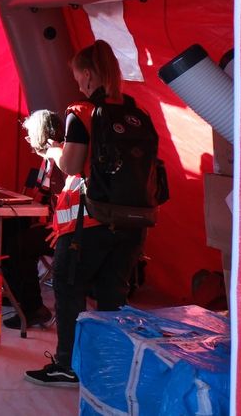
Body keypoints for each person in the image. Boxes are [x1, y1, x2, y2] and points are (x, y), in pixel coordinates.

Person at [25, 40, 149, 388]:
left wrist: (52, 150)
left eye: (79, 75)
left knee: (69, 288)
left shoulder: (80, 112)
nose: (78, 82)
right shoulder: (136, 113)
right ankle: (109, 365)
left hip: (89, 221)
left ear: (89, 74)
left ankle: (68, 364)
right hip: (132, 221)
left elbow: (74, 165)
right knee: (113, 293)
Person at [0, 109, 64, 330]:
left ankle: (34, 308)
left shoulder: (62, 159)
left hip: (67, 231)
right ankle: (14, 292)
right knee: (5, 226)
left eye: (30, 136)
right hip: (54, 224)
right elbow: (43, 197)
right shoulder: (48, 160)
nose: (28, 141)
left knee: (21, 244)